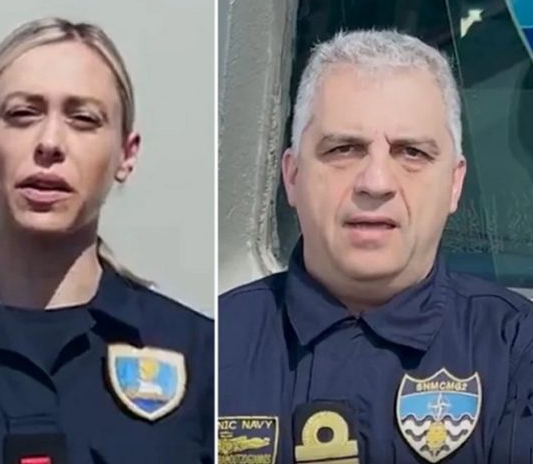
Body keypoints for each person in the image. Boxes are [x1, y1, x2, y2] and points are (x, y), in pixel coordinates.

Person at [0, 17, 213, 463]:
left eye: (83, 119)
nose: (49, 142)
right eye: (22, 114)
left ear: (126, 154)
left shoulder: (204, 361)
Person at [217, 29, 533, 463]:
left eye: (412, 153)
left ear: (455, 184)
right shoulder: (212, 347)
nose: (376, 183)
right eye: (344, 149)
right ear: (292, 176)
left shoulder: (517, 351)